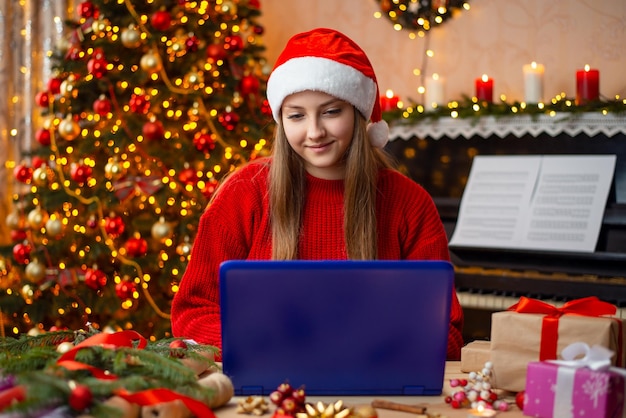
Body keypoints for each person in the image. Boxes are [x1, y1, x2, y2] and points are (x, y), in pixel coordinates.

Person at [171, 27, 464, 360]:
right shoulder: (243, 192)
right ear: (281, 121)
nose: (314, 132)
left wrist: (374, 345)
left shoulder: (409, 202)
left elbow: (449, 334)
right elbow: (192, 312)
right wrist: (267, 342)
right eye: (296, 115)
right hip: (269, 383)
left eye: (331, 112)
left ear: (357, 112)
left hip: (370, 384)